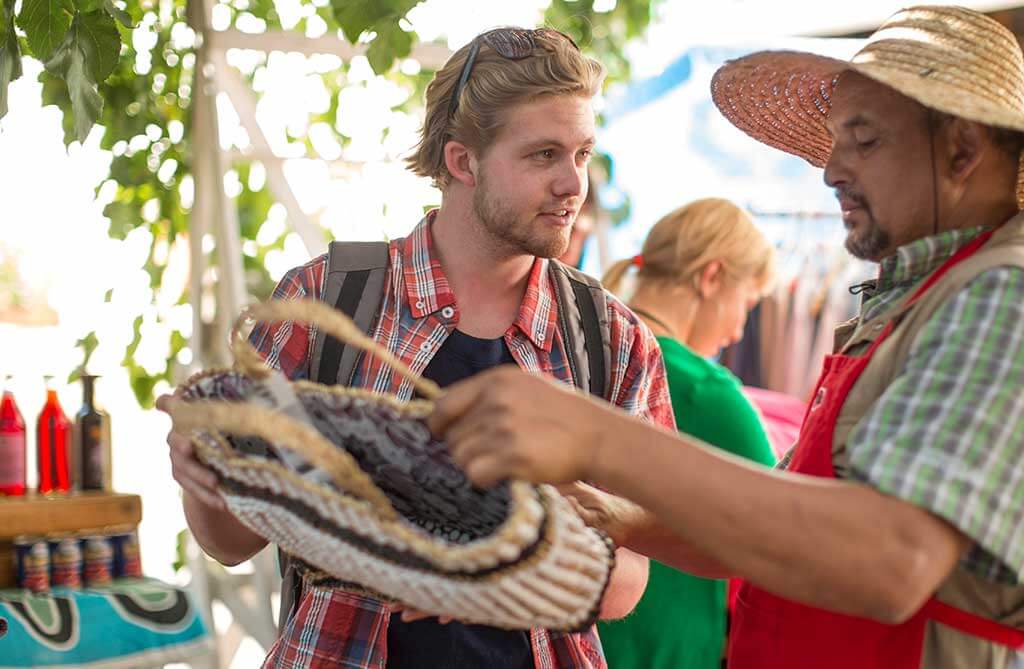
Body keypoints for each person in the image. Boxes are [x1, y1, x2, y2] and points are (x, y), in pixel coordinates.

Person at [428, 7, 1024, 669]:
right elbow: (786, 523)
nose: (830, 170)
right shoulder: (920, 306)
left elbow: (892, 560)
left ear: (960, 151)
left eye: (862, 140)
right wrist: (620, 515)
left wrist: (599, 439)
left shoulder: (1008, 298)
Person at [158, 26, 675, 669]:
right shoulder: (326, 303)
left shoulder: (611, 339)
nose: (575, 185)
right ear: (463, 163)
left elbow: (631, 575)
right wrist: (203, 472)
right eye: (544, 155)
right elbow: (231, 545)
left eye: (582, 154)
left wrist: (493, 584)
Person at [596, 198, 777, 669]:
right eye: (748, 304)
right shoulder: (706, 393)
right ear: (712, 277)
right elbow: (784, 539)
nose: (739, 330)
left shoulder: (585, 346)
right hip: (661, 652)